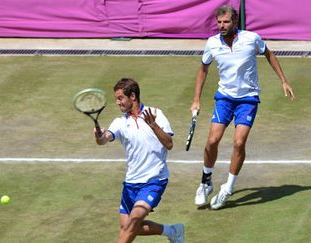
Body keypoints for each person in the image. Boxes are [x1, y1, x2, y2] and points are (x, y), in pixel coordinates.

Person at [191, 5, 296, 210]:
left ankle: (227, 189)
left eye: (226, 22)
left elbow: (269, 55)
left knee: (239, 143)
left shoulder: (251, 38)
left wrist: (283, 80)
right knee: (212, 140)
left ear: (235, 22)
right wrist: (196, 99)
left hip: (248, 99)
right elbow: (203, 69)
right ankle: (206, 181)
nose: (222, 26)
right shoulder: (212, 44)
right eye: (219, 22)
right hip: (224, 98)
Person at [95, 78, 184, 242]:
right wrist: (99, 136)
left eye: (120, 98)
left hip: (153, 181)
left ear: (133, 96)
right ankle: (172, 231)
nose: (117, 102)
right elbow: (104, 139)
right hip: (130, 183)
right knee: (127, 227)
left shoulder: (156, 114)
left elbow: (169, 144)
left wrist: (153, 126)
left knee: (132, 224)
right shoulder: (120, 122)